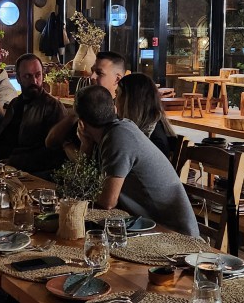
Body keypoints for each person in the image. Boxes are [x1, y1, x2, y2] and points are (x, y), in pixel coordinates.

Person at [75, 85, 199, 237]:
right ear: (114, 109)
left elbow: (108, 202)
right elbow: (83, 188)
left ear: (81, 124)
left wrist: (84, 147)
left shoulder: (118, 137)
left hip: (173, 234)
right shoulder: (118, 129)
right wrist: (86, 146)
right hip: (145, 225)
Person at [0, 53, 67, 177]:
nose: (34, 81)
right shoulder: (15, 104)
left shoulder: (53, 107)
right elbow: (4, 138)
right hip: (4, 168)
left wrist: (15, 162)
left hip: (32, 174)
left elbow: (54, 153)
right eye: (28, 76)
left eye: (38, 75)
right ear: (18, 78)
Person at [46, 51, 127, 160]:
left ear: (117, 79)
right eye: (92, 71)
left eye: (99, 73)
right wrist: (76, 112)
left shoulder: (121, 115)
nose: (92, 76)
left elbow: (92, 161)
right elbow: (51, 141)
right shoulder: (87, 104)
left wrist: (67, 145)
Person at [115, 73, 176, 158]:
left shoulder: (154, 142)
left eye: (118, 94)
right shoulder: (138, 129)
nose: (115, 100)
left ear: (131, 101)